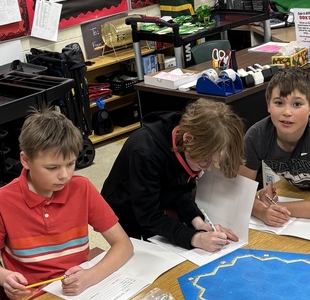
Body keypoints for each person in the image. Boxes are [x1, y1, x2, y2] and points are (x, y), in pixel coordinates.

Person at [0, 106, 132, 300]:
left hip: (80, 292)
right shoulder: (2, 201)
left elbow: (123, 245)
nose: (64, 175)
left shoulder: (82, 188)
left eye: (70, 164)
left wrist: (90, 276)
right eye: (52, 168)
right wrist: (5, 277)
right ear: (25, 160)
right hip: (33, 298)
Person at [100, 99, 245, 252]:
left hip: (157, 200)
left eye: (214, 162)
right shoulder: (145, 152)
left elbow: (178, 190)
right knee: (134, 253)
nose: (208, 168)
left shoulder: (190, 143)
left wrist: (199, 223)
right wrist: (195, 238)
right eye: (205, 161)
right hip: (124, 209)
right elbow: (149, 216)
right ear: (187, 140)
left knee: (161, 247)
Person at [243, 68, 310, 227]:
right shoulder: (255, 136)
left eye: (297, 104)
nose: (287, 112)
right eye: (279, 103)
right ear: (268, 104)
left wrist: (273, 208)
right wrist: (262, 211)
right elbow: (240, 194)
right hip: (297, 182)